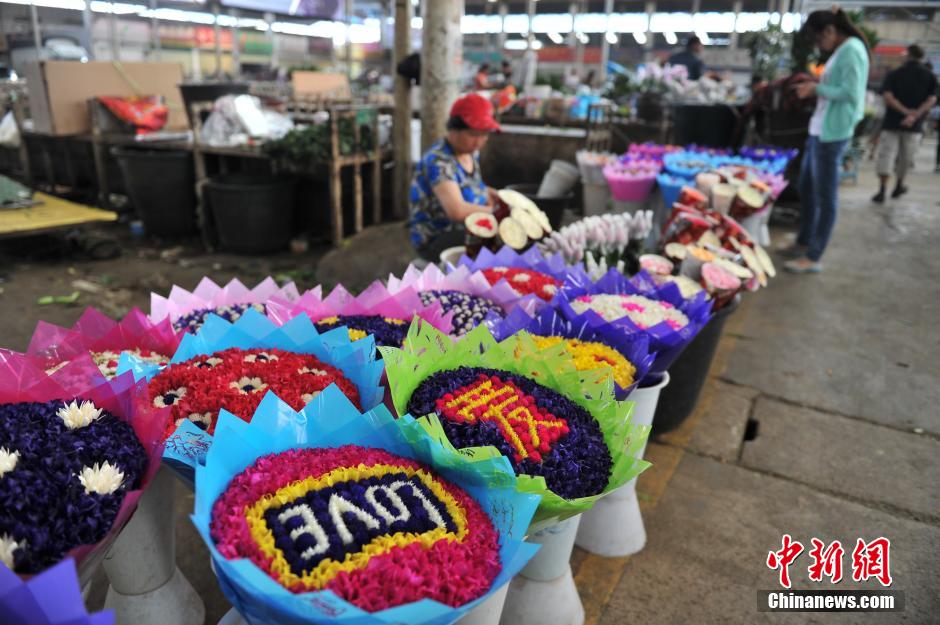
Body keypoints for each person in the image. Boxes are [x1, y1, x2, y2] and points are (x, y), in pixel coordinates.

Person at [782, 9, 870, 274]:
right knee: (807, 188)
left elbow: (851, 93)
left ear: (830, 31)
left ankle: (814, 255)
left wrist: (816, 88)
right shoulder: (842, 50)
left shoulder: (852, 50)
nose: (819, 45)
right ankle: (804, 240)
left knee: (825, 196)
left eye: (819, 39)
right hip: (819, 129)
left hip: (833, 133)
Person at [408, 94, 501, 262]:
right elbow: (456, 210)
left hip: (464, 227)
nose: (479, 141)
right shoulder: (439, 161)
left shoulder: (470, 153)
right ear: (453, 129)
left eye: (484, 134)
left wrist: (488, 193)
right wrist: (500, 213)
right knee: (499, 240)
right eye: (473, 134)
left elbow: (470, 185)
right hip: (437, 236)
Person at [871, 45, 937, 202]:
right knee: (906, 158)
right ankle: (898, 185)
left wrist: (904, 111)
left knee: (886, 155)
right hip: (914, 125)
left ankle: (882, 190)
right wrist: (915, 115)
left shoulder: (894, 74)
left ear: (908, 55)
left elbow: (888, 96)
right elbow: (932, 99)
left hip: (892, 122)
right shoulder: (930, 76)